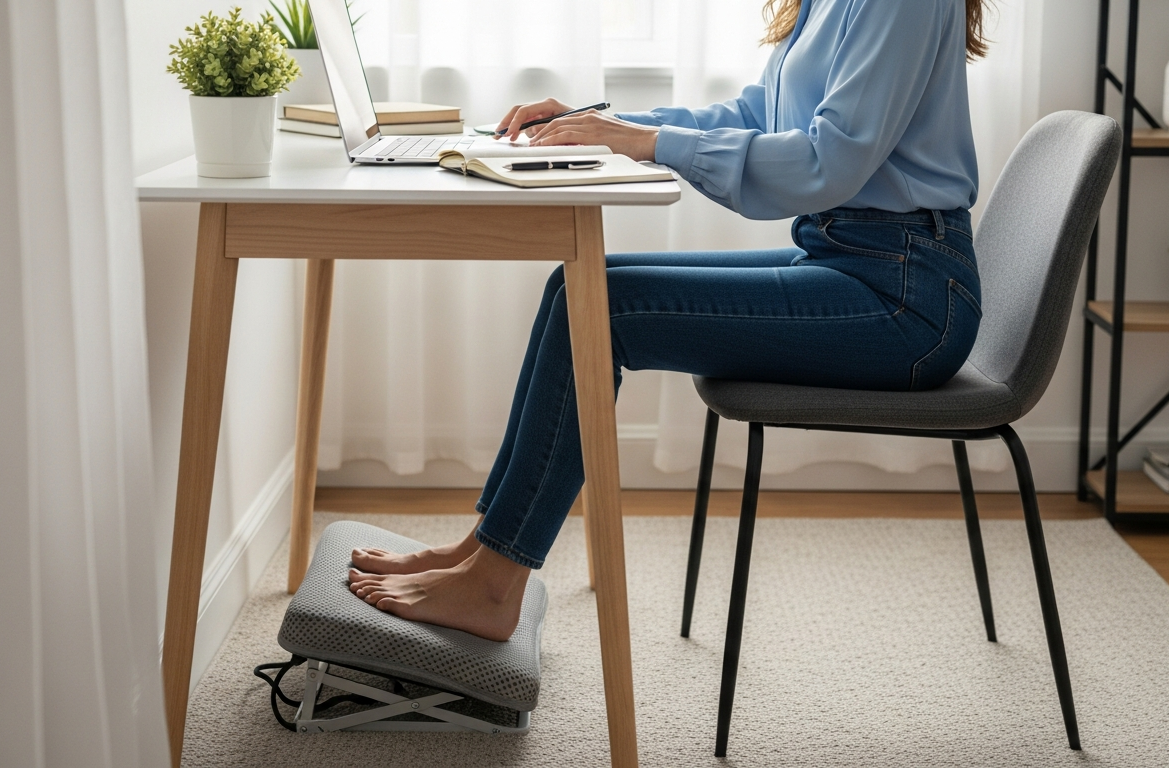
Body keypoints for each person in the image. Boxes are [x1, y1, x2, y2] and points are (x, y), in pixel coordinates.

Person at [346, 0, 989, 641]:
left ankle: (491, 587)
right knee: (578, 287)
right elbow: (756, 116)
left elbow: (828, 160)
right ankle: (483, 549)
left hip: (907, 298)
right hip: (851, 259)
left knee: (602, 307)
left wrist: (648, 142)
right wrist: (603, 123)